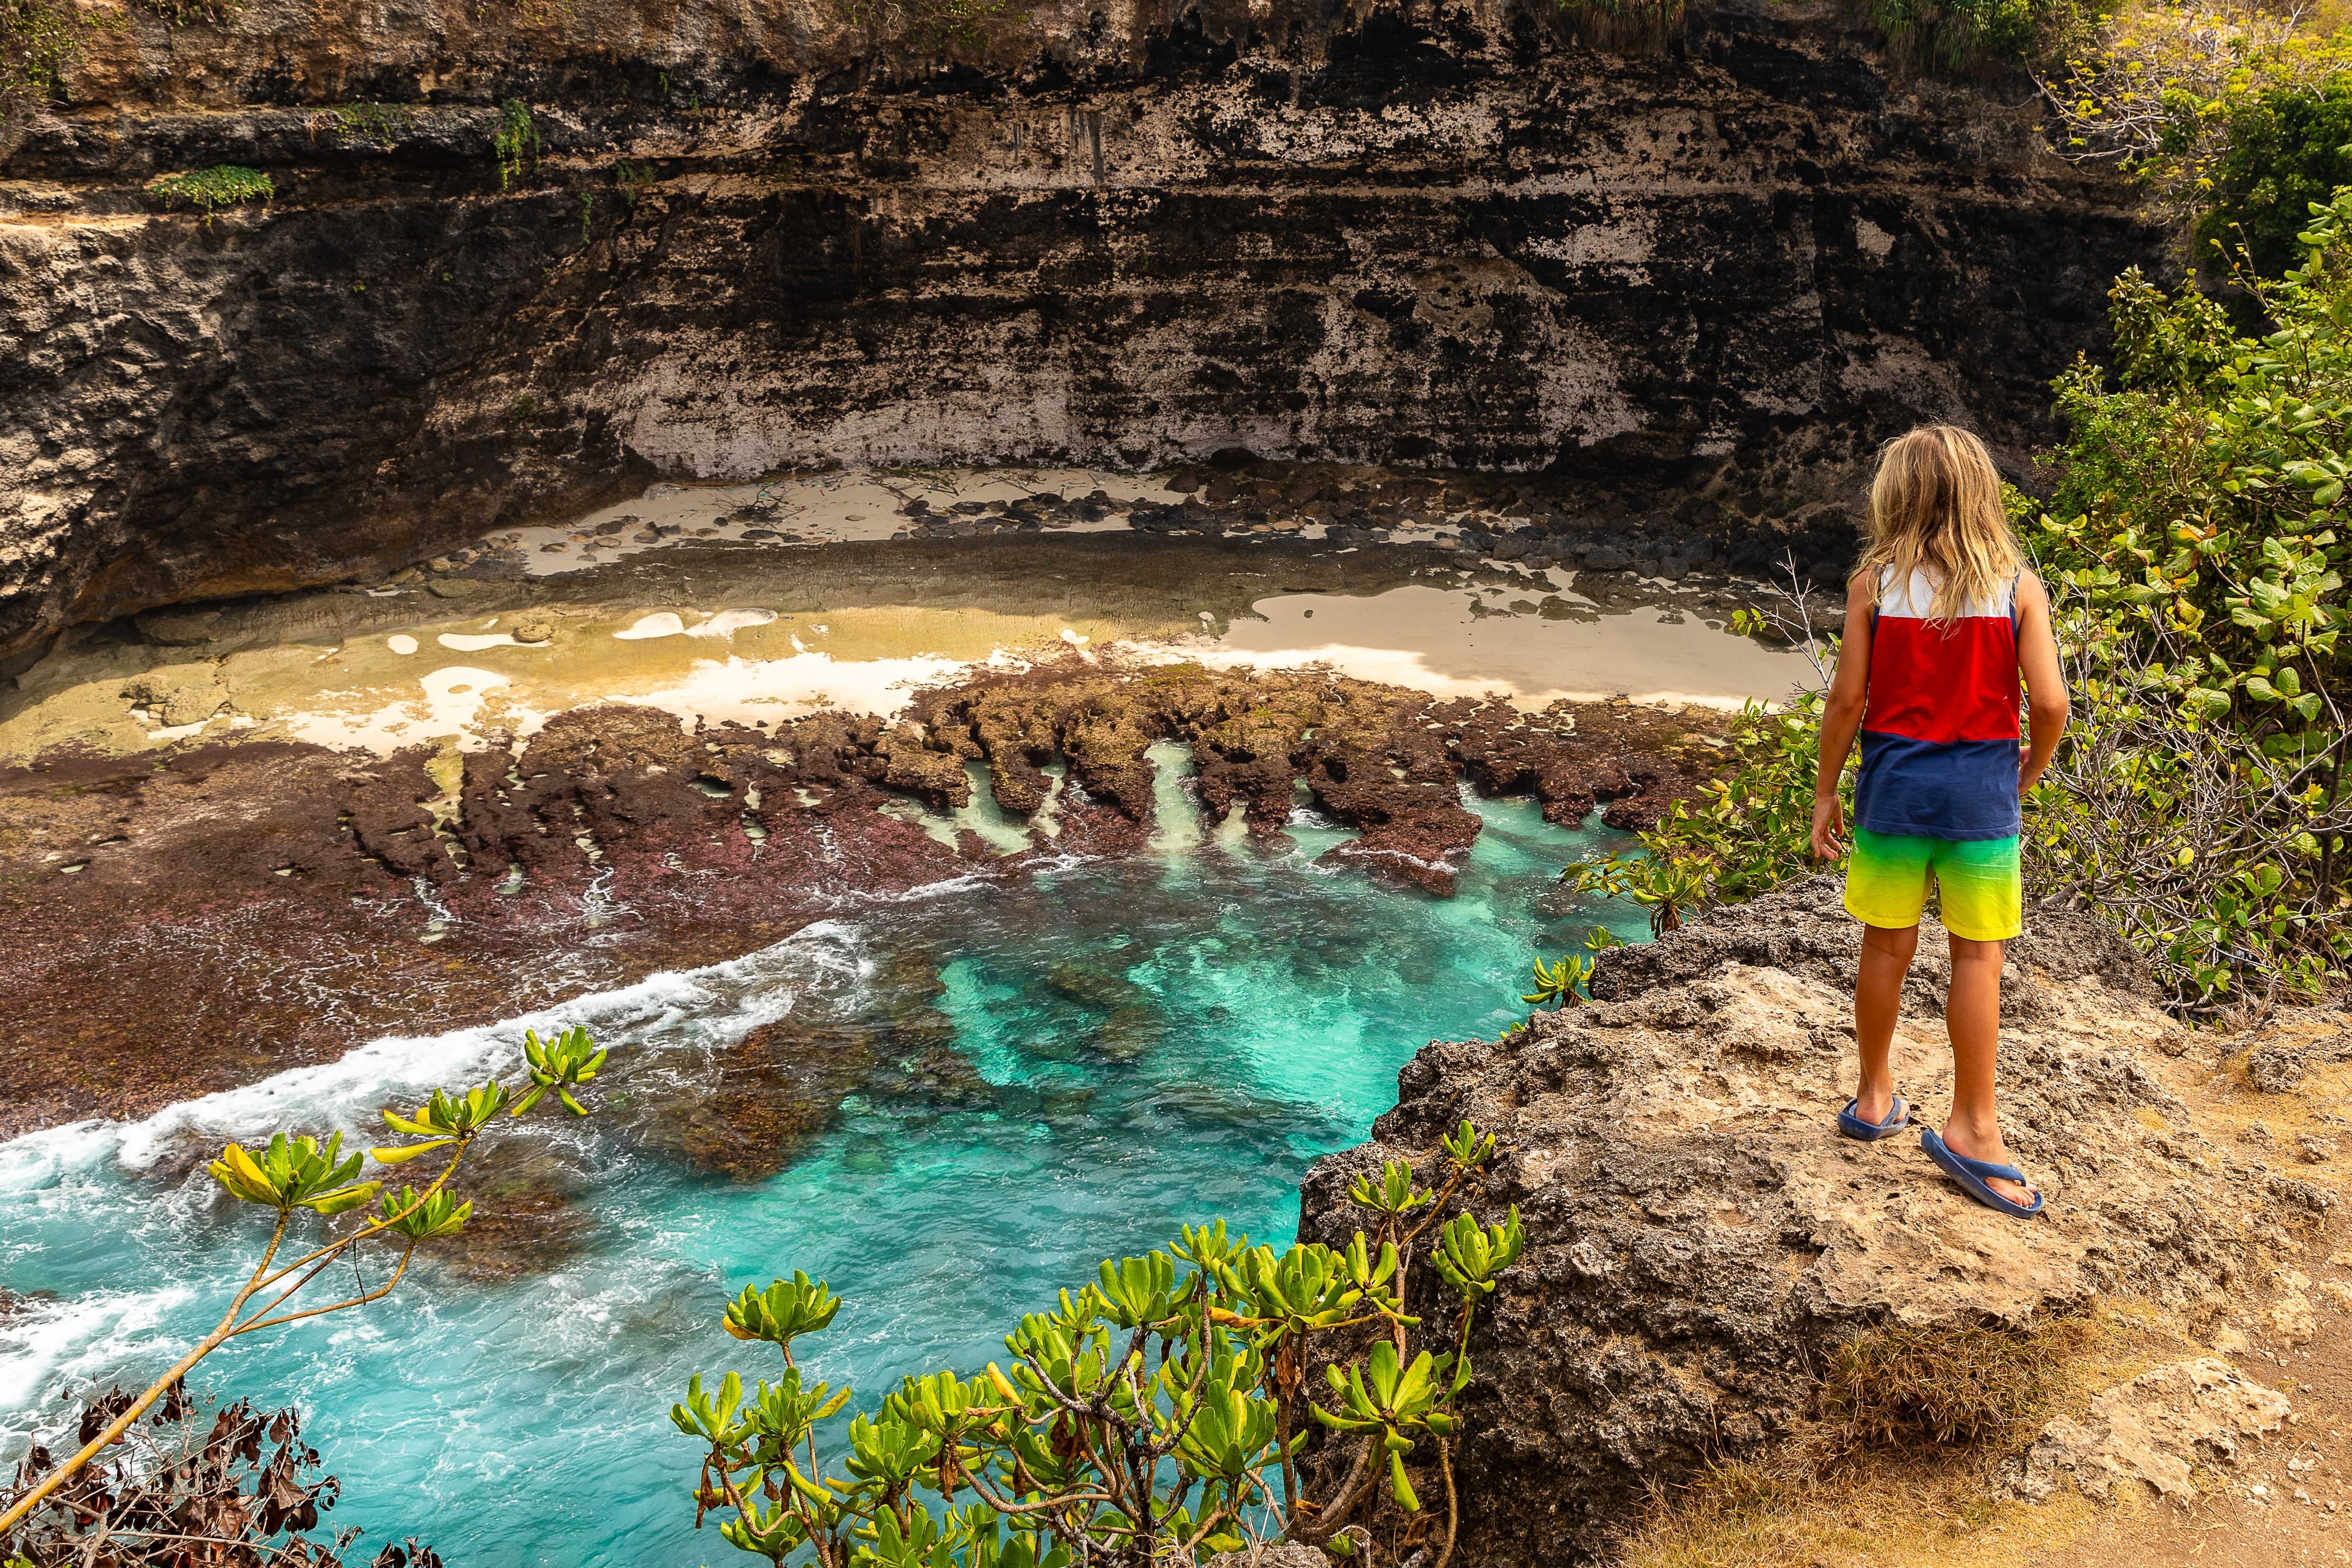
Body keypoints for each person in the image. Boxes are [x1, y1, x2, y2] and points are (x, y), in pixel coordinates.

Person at [1809, 425, 2069, 1219]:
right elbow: (2052, 704)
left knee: (1886, 944)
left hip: (1893, 797)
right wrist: (2025, 768)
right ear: (1980, 493)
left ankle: (1873, 1095)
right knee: (1977, 959)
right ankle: (1973, 1128)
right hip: (1980, 804)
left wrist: (1824, 794)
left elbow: (1847, 701)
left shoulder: (1874, 584)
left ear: (1897, 495)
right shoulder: (2017, 584)